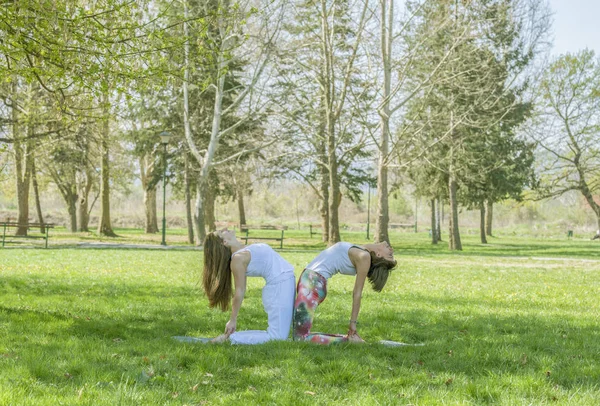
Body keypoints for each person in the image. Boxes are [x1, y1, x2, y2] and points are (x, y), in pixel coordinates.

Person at [293, 241, 397, 345]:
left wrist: (353, 323)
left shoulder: (364, 256)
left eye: (390, 254)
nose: (391, 249)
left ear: (378, 254)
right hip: (311, 283)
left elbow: (357, 293)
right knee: (301, 335)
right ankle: (350, 340)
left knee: (300, 338)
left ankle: (350, 341)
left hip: (312, 284)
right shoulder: (362, 250)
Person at [203, 228, 296, 344]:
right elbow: (240, 290)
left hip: (284, 283)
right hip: (279, 287)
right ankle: (230, 339)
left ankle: (232, 338)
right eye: (222, 232)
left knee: (278, 335)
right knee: (277, 337)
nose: (225, 229)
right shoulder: (237, 259)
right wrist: (233, 320)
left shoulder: (243, 250)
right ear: (224, 242)